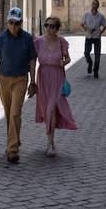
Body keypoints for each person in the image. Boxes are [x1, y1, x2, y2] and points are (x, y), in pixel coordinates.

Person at [0, 7, 37, 163]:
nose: (14, 26)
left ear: (21, 23)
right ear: (7, 22)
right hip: (3, 80)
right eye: (11, 23)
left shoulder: (27, 39)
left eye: (17, 23)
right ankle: (12, 141)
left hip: (20, 80)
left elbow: (32, 61)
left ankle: (13, 150)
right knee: (8, 113)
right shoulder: (1, 39)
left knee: (15, 113)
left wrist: (33, 82)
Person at [34, 15, 78, 156]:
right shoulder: (39, 42)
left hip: (57, 77)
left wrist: (64, 62)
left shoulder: (61, 42)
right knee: (46, 109)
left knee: (52, 109)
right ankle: (50, 140)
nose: (49, 28)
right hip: (43, 78)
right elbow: (32, 60)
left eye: (52, 26)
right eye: (47, 25)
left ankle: (50, 142)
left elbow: (68, 58)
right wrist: (31, 81)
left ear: (57, 28)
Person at [81, 0, 106, 78]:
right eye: (93, 4)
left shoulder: (100, 16)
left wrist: (100, 33)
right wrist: (86, 29)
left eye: (96, 4)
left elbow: (105, 25)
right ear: (91, 5)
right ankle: (90, 63)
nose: (94, 5)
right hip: (88, 36)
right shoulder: (87, 15)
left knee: (97, 55)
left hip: (97, 37)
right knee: (86, 53)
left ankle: (96, 71)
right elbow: (82, 23)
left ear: (98, 6)